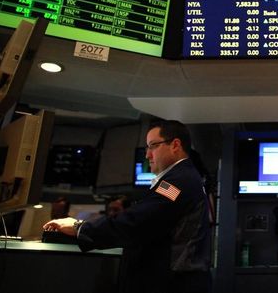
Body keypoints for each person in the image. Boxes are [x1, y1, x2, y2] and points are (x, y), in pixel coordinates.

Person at [43, 120, 212, 293]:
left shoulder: (178, 182)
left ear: (175, 145)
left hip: (173, 284)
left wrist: (80, 228)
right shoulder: (182, 178)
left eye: (153, 146)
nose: (147, 155)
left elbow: (137, 222)